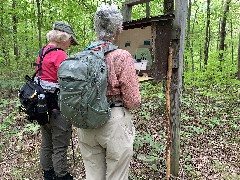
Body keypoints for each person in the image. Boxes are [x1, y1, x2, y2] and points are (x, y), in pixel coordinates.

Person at [77, 4, 141, 180]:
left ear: (97, 29)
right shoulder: (121, 56)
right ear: (118, 30)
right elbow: (133, 100)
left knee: (93, 175)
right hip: (113, 121)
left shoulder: (82, 56)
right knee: (117, 176)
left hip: (85, 121)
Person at [35, 21, 79, 180]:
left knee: (47, 142)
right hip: (57, 106)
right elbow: (68, 81)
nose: (70, 44)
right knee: (60, 145)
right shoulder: (60, 54)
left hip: (42, 106)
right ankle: (62, 175)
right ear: (63, 37)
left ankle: (48, 173)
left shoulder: (42, 51)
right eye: (70, 41)